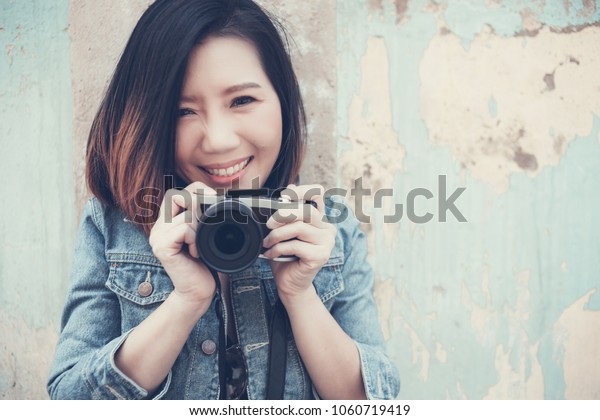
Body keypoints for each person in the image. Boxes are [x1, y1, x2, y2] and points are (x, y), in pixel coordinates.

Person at [47, 0, 400, 400]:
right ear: (152, 118)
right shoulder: (115, 226)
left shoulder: (328, 225)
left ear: (282, 98)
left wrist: (300, 295)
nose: (217, 140)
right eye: (183, 111)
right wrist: (185, 302)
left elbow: (377, 403)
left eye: (242, 101)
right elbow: (69, 399)